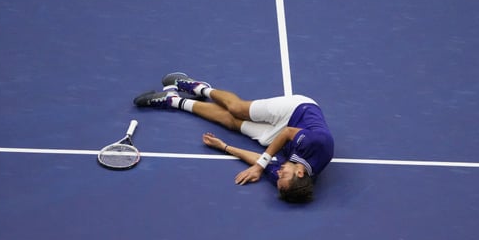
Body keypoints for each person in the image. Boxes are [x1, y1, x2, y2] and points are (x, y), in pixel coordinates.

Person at [133, 72, 334, 203]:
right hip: (296, 111)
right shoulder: (319, 145)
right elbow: (287, 133)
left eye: (279, 176)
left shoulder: (289, 185)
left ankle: (174, 101)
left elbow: (260, 162)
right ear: (300, 173)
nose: (279, 172)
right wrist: (260, 165)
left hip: (284, 136)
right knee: (238, 109)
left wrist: (225, 147)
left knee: (231, 123)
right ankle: (199, 87)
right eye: (283, 174)